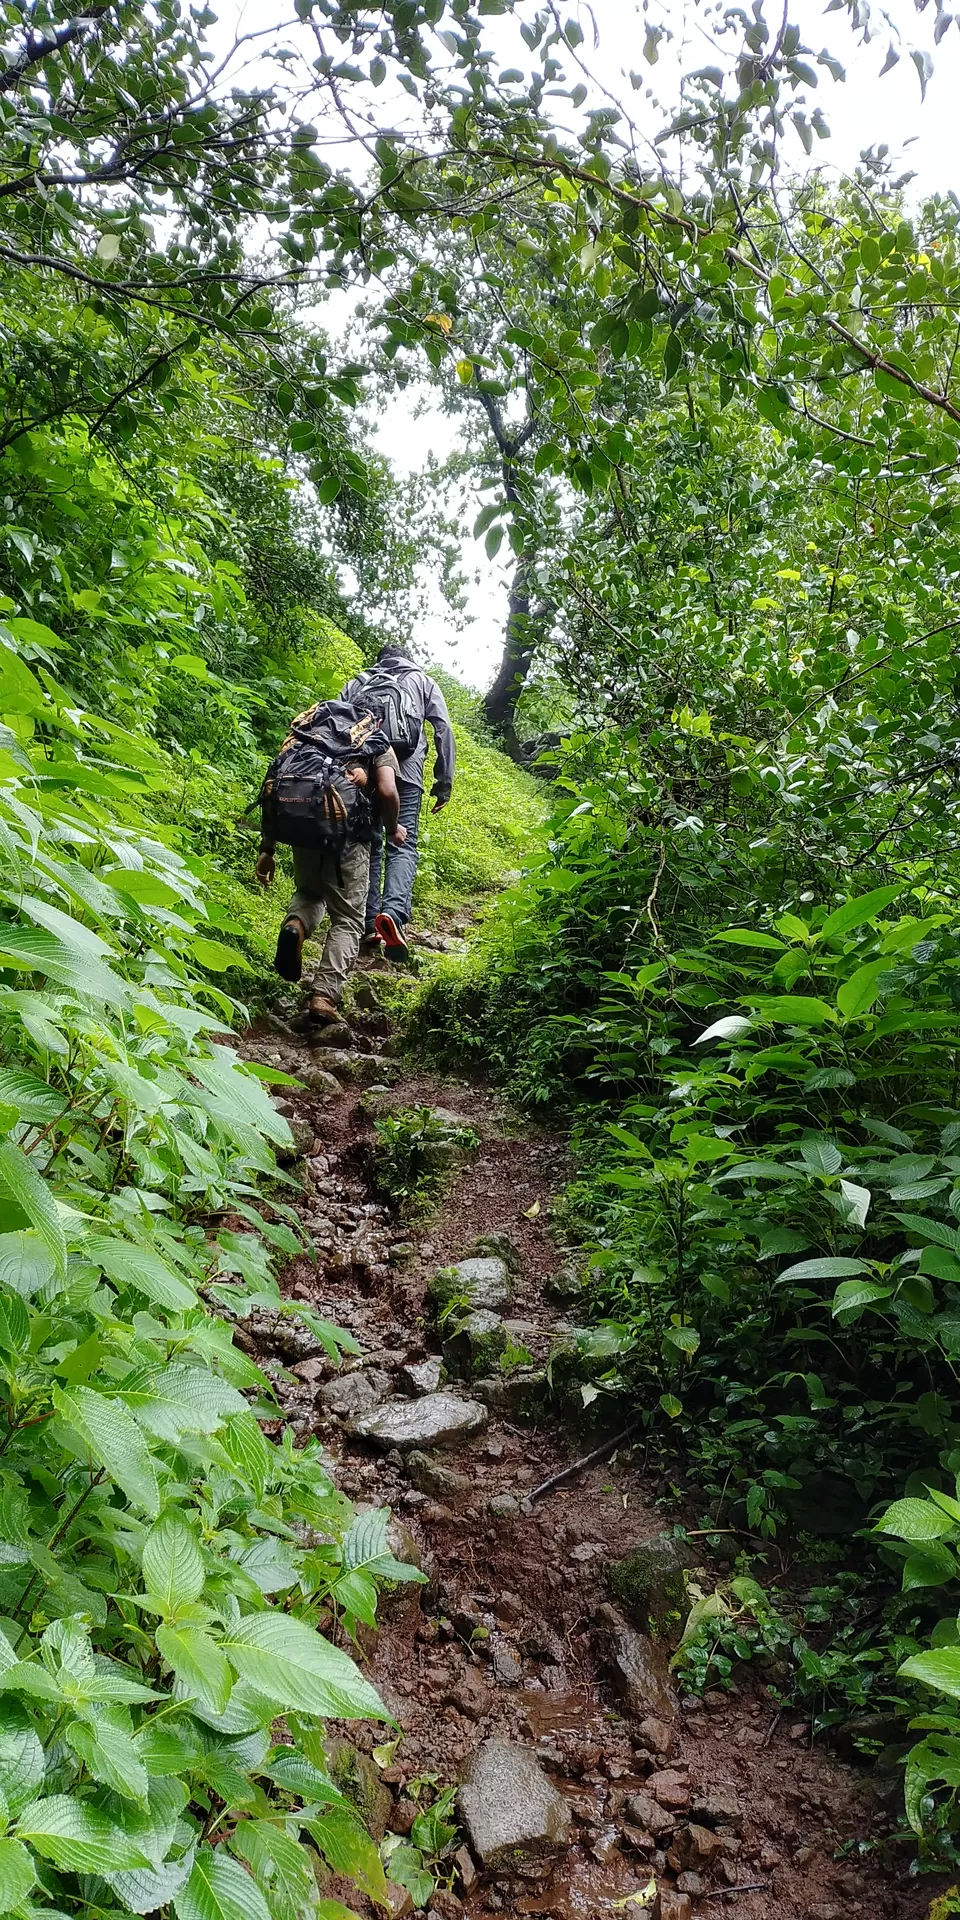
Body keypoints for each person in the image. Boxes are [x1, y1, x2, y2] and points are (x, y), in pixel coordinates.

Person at [256, 743, 407, 1025]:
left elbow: (273, 783)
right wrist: (393, 827)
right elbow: (387, 791)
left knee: (310, 893)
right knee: (348, 919)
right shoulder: (375, 739)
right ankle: (324, 996)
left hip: (307, 829)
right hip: (350, 838)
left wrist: (268, 849)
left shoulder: (312, 735)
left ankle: (295, 927)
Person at [341, 645, 456, 962]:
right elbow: (442, 728)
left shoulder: (362, 680)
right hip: (406, 771)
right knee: (403, 843)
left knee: (371, 842)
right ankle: (392, 914)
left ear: (380, 660)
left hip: (362, 770)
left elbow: (336, 722)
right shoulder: (422, 681)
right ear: (409, 658)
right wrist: (443, 782)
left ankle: (368, 923)